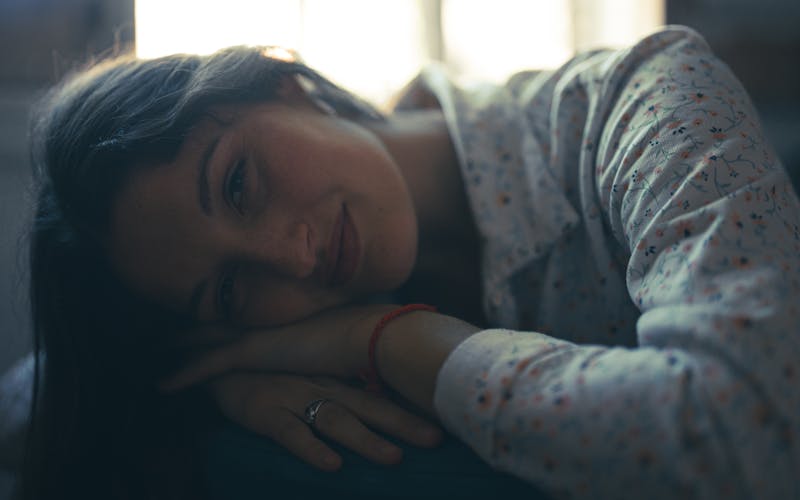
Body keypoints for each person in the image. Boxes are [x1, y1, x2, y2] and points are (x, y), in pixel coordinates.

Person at [23, 24, 799, 499]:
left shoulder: (648, 99)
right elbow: (37, 400)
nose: (288, 258)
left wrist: (399, 344)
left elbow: (750, 441)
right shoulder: (259, 350)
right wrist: (221, 387)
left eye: (237, 183)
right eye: (229, 290)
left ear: (283, 83)